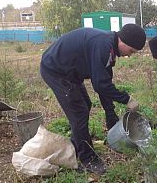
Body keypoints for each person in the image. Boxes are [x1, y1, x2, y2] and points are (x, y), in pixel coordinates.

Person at [40, 24, 146, 174]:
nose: (129, 55)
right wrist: (127, 99)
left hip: (71, 73)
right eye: (131, 51)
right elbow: (101, 85)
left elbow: (104, 82)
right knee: (79, 113)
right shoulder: (103, 45)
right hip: (56, 70)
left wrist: (110, 114)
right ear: (123, 41)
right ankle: (88, 159)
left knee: (86, 105)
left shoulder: (110, 47)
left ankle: (77, 143)